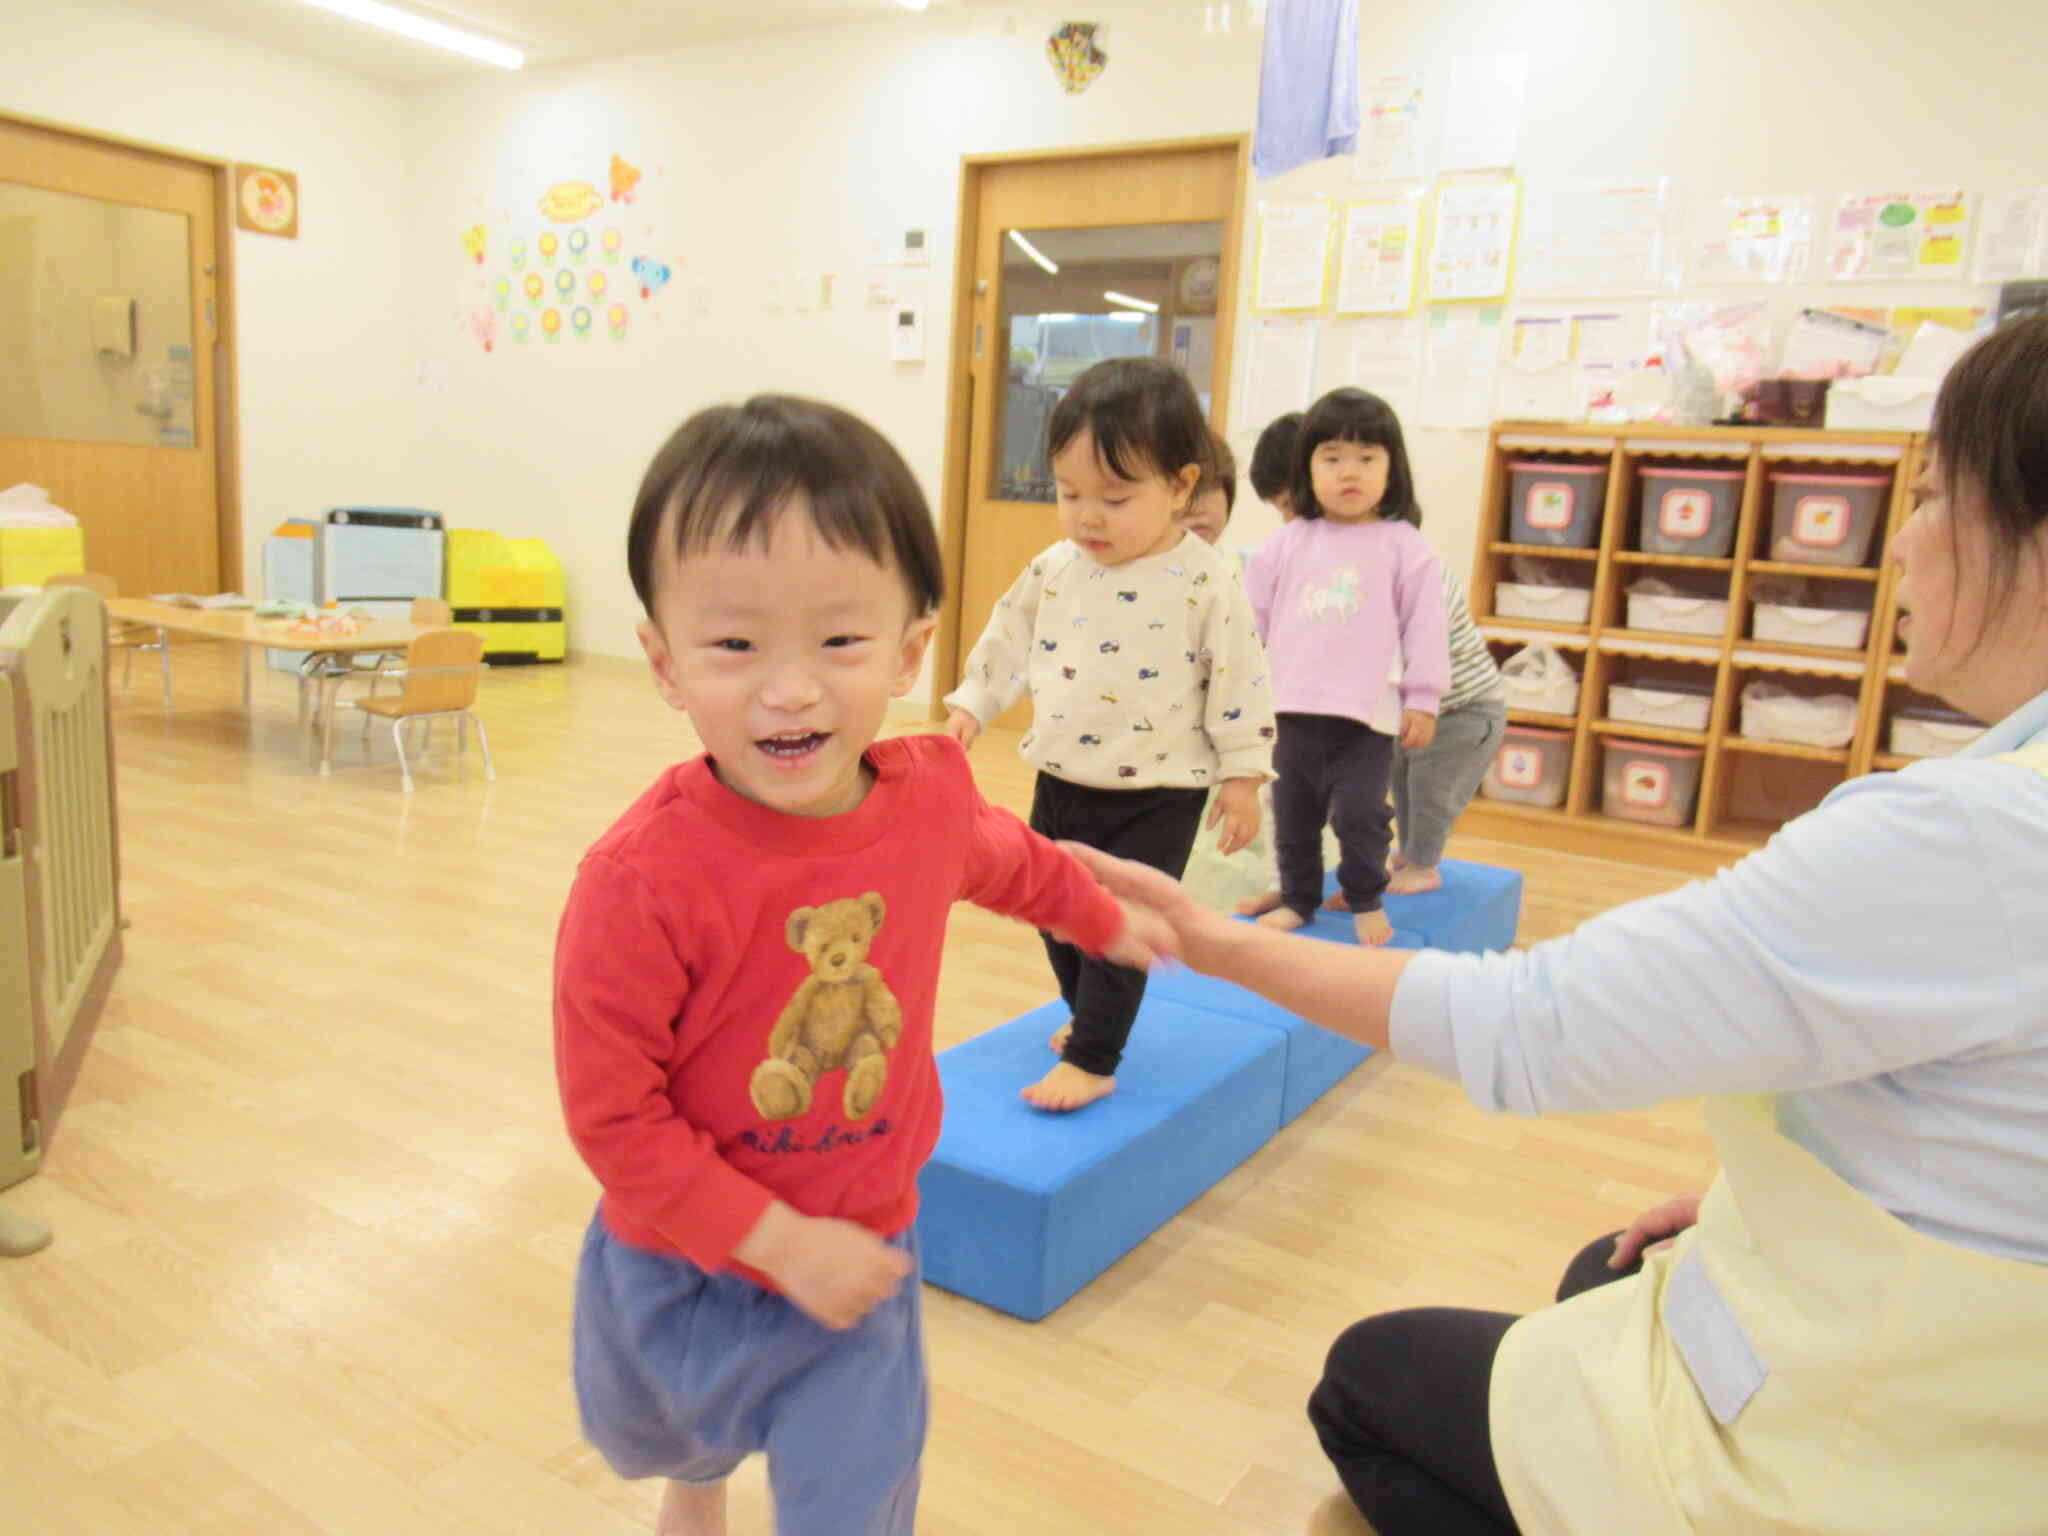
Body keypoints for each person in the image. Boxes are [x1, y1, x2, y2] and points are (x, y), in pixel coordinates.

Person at [1061, 314, 2048, 1535]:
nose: (1901, 537)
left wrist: (1212, 939)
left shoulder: (1973, 839)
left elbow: (1537, 1025)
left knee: (1371, 1379)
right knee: (1600, 1273)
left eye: (1939, 494)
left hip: (1893, 1451)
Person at [554, 394, 1172, 1536]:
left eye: (838, 642)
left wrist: (1093, 912)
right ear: (662, 662)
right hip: (688, 1256)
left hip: (862, 1236)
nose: (789, 688)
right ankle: (696, 1488)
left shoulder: (927, 793)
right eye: (735, 645)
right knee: (671, 1436)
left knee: (859, 1490)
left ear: (908, 649)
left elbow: (1004, 856)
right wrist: (771, 1242)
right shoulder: (638, 880)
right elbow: (611, 1118)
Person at [944, 356, 1275, 1112]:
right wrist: (972, 702)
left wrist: (1244, 776)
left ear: (1181, 487)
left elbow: (1241, 680)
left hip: (1158, 791)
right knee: (1054, 909)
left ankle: (1096, 1054)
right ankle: (1086, 1016)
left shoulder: (1206, 580)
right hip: (1060, 776)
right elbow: (1007, 640)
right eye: (1068, 494)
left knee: (1124, 921)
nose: (1087, 516)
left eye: (1115, 498)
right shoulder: (1055, 567)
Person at [1244, 387, 1447, 946]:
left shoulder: (1405, 548)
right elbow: (1247, 623)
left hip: (1365, 717)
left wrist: (1424, 700)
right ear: (1307, 469)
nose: (1348, 472)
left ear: (1392, 468)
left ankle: (1363, 897)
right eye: (1331, 458)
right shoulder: (1286, 544)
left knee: (1359, 815)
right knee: (1292, 815)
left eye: (1366, 458)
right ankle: (1299, 898)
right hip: (1290, 709)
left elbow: (1427, 630)